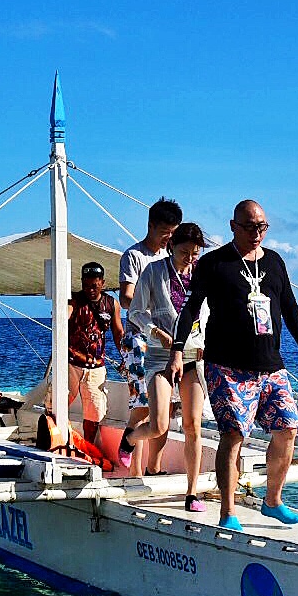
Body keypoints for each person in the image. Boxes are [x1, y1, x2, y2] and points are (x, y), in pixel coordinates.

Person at [168, 200, 298, 532]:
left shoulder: (274, 261)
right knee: (233, 435)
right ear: (233, 226)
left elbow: (289, 305)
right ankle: (228, 511)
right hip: (227, 366)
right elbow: (191, 310)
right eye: (249, 227)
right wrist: (178, 350)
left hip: (271, 365)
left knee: (288, 428)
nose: (256, 233)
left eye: (262, 226)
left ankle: (273, 501)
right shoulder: (214, 263)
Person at [121, 222, 211, 507]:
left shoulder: (201, 275)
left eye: (195, 253)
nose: (190, 258)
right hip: (160, 355)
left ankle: (191, 492)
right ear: (172, 246)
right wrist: (154, 332)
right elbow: (135, 311)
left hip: (193, 356)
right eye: (185, 252)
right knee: (159, 425)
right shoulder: (154, 271)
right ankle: (131, 437)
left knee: (192, 425)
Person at [27, 261, 125, 447]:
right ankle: (53, 441)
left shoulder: (111, 304)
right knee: (56, 403)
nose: (90, 290)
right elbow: (65, 314)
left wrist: (125, 358)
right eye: (86, 285)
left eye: (94, 286)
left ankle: (89, 448)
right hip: (71, 363)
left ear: (102, 283)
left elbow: (118, 333)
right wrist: (61, 313)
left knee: (94, 411)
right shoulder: (74, 300)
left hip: (96, 366)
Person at [119, 198, 183, 471]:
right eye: (164, 232)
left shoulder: (173, 260)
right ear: (151, 226)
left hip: (170, 340)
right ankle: (132, 458)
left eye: (173, 232)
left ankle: (153, 467)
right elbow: (126, 298)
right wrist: (151, 309)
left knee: (166, 408)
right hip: (140, 337)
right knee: (144, 402)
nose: (168, 237)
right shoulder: (135, 256)